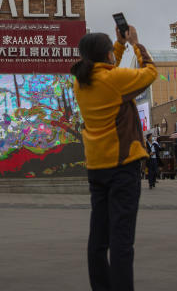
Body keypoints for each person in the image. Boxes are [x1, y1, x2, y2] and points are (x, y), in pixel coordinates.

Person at [72, 24, 157, 291]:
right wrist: (135, 43)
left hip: (97, 168)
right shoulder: (115, 80)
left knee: (98, 239)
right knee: (122, 242)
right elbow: (150, 73)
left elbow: (108, 70)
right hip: (123, 167)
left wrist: (118, 46)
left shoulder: (81, 82)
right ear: (106, 55)